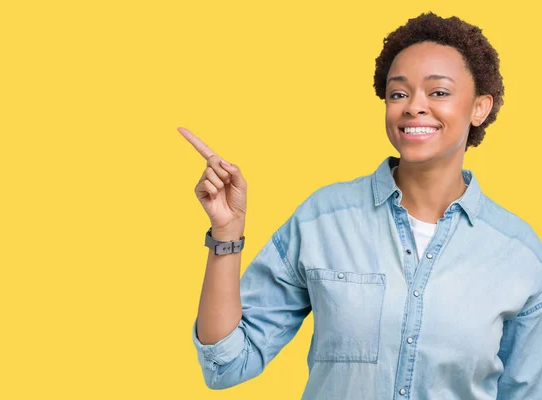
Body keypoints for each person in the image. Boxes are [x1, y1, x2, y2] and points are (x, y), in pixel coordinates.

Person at [179, 12, 542, 400]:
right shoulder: (323, 220)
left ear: (479, 108)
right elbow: (228, 362)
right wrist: (226, 233)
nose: (413, 107)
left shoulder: (518, 253)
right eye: (398, 93)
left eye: (438, 92)